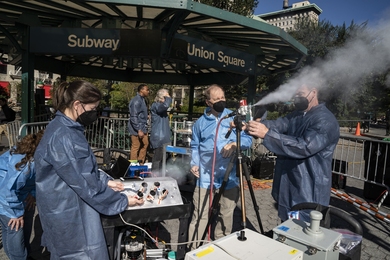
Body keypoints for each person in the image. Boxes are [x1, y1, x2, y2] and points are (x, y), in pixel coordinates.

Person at [34, 80, 144, 259]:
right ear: (77, 105)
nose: (95, 114)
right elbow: (85, 183)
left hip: (69, 209)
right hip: (71, 217)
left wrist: (106, 182)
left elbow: (85, 169)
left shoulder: (68, 128)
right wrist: (122, 201)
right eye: (93, 109)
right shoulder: (64, 137)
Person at [246, 84, 340, 222]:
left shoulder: (325, 120)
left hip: (308, 190)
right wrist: (253, 126)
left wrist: (266, 134)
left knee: (304, 234)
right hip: (288, 185)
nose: (297, 98)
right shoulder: (297, 116)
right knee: (286, 230)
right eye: (295, 95)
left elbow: (304, 147)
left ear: (313, 92)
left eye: (301, 94)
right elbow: (278, 124)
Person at [188, 84, 252, 248]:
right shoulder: (200, 124)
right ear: (208, 102)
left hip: (229, 176)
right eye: (216, 99)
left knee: (226, 213)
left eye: (222, 98)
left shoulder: (234, 117)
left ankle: (221, 248)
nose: (221, 101)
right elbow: (195, 146)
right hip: (205, 176)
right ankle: (195, 250)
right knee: (201, 215)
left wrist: (233, 144)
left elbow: (247, 140)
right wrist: (194, 163)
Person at [0, 130, 44, 260]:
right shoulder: (26, 164)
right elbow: (8, 189)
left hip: (19, 194)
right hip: (6, 198)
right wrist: (15, 213)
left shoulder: (32, 155)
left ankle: (23, 255)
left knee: (17, 228)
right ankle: (19, 257)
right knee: (15, 229)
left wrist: (32, 193)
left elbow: (35, 179)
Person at [149, 88, 172, 176]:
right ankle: (154, 177)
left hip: (163, 137)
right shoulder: (156, 105)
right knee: (158, 159)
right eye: (166, 96)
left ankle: (161, 176)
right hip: (159, 137)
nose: (168, 97)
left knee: (164, 159)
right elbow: (164, 106)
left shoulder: (159, 106)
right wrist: (168, 98)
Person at [128, 84, 150, 164]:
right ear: (141, 90)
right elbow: (133, 116)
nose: (148, 91)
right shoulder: (136, 100)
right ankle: (133, 164)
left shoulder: (142, 99)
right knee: (135, 146)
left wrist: (145, 116)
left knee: (145, 144)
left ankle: (140, 162)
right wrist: (138, 129)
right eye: (147, 90)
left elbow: (138, 113)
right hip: (137, 128)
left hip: (142, 126)